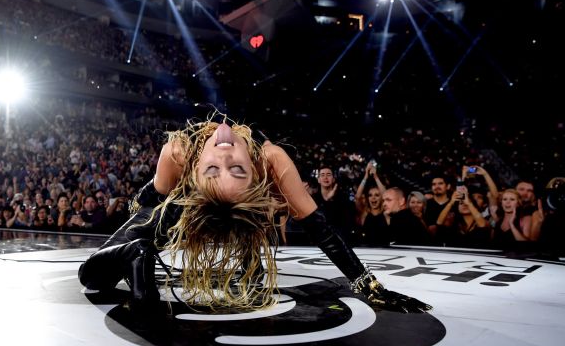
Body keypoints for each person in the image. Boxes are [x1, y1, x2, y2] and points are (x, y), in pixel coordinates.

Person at [78, 114, 431, 313]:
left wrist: (366, 284)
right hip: (173, 212)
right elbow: (151, 199)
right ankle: (140, 254)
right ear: (195, 175)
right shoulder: (179, 152)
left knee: (248, 214)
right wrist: (136, 221)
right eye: (218, 169)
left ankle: (241, 260)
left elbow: (318, 226)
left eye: (233, 170)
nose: (227, 155)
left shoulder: (270, 160)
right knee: (92, 276)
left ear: (254, 173)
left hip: (237, 211)